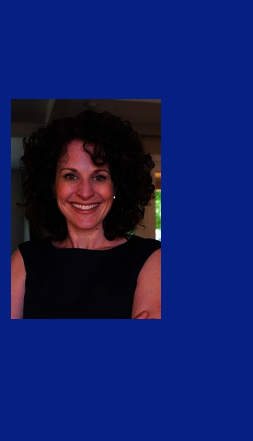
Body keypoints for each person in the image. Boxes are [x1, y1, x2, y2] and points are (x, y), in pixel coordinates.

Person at [11, 109, 161, 319]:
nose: (84, 192)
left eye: (99, 177)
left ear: (116, 186)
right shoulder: (25, 260)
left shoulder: (151, 258)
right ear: (52, 186)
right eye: (70, 176)